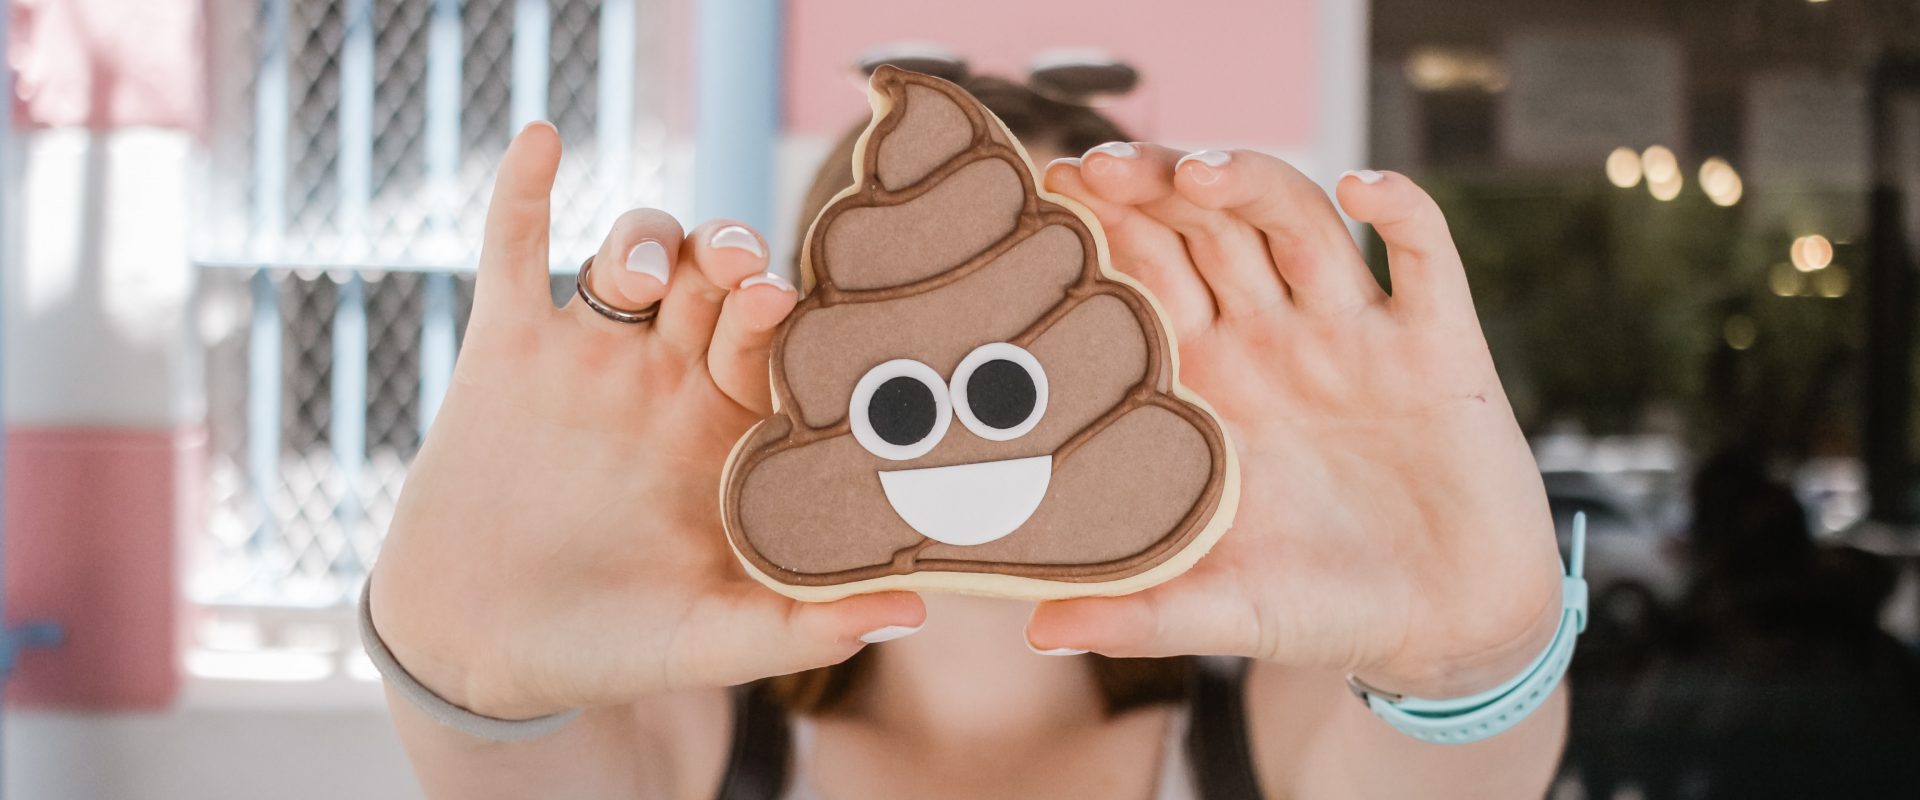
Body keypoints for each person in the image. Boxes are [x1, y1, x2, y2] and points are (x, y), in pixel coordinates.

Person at [365, 73, 1571, 798]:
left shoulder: (1270, 733)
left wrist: (1477, 662)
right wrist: (460, 681)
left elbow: (1444, 771)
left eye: (1054, 319)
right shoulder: (698, 739)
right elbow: (528, 768)